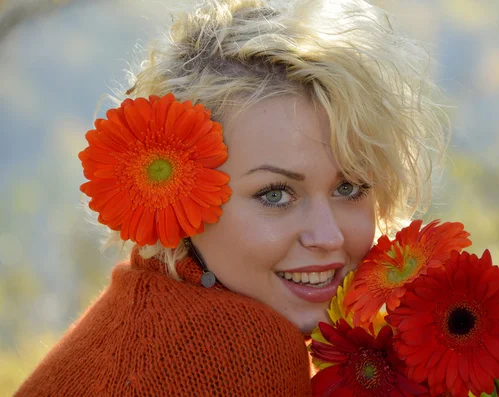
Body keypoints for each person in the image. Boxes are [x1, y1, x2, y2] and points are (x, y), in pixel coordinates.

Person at [15, 0, 446, 395]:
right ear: (179, 201)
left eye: (349, 188)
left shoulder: (135, 311)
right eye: (276, 194)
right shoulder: (242, 348)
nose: (328, 236)